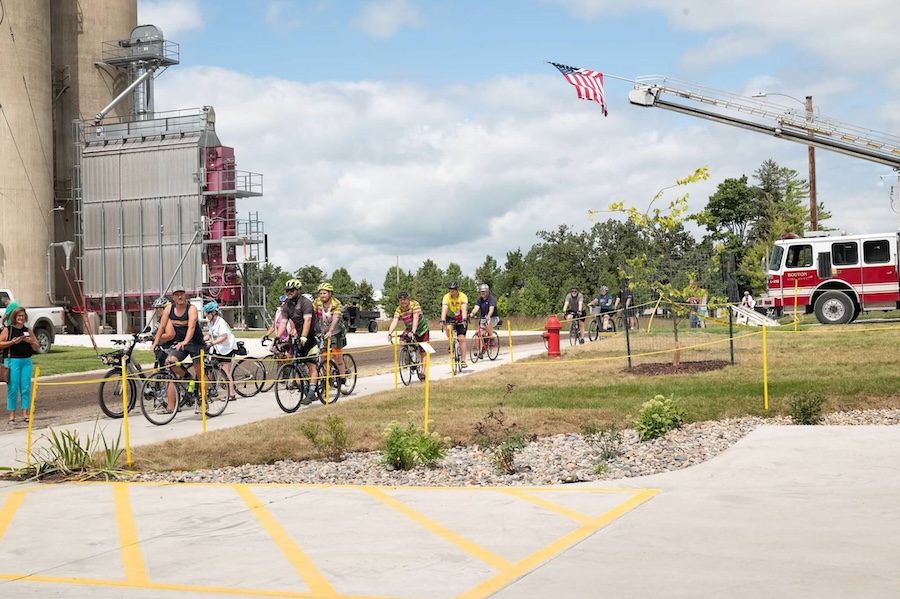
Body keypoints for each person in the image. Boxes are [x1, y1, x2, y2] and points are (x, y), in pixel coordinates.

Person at [151, 285, 205, 413]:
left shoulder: (191, 309)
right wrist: (155, 342)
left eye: (182, 294)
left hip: (196, 343)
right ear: (173, 297)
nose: (180, 297)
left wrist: (186, 341)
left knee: (200, 372)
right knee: (169, 364)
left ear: (185, 295)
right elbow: (161, 326)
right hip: (181, 343)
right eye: (177, 294)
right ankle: (173, 404)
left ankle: (204, 401)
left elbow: (191, 327)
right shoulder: (169, 309)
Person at [275, 279, 321, 405]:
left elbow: (307, 321)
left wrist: (304, 336)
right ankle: (305, 388)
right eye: (287, 290)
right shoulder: (287, 305)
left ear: (298, 290)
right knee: (296, 364)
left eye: (292, 290)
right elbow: (283, 323)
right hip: (299, 336)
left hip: (311, 335)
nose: (289, 292)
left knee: (311, 364)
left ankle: (311, 393)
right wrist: (277, 337)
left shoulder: (305, 303)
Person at [0, 307, 40, 424]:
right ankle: (11, 415)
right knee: (13, 389)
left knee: (26, 388)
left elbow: (36, 346)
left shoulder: (28, 330)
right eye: (19, 316)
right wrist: (13, 342)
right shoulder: (8, 330)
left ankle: (25, 414)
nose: (21, 318)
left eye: (22, 316)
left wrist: (30, 341)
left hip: (26, 361)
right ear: (14, 317)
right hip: (12, 361)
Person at [386, 290, 430, 381]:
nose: (403, 301)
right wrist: (390, 333)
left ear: (408, 299)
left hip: (422, 329)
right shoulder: (399, 309)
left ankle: (423, 372)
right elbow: (395, 321)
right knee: (402, 341)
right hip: (410, 328)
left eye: (405, 299)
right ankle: (410, 356)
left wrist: (413, 332)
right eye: (401, 300)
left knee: (423, 351)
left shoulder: (415, 304)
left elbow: (416, 318)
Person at [313, 282, 347, 388]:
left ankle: (343, 380)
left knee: (337, 357)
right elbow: (312, 316)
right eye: (321, 293)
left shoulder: (336, 303)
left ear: (330, 293)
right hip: (322, 331)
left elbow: (336, 318)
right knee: (323, 357)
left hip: (336, 331)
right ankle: (326, 379)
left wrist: (331, 331)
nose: (322, 295)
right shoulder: (317, 302)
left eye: (324, 293)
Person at [202, 301, 237, 403]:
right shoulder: (210, 323)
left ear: (213, 313)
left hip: (227, 348)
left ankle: (232, 394)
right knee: (212, 366)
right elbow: (210, 335)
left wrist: (212, 343)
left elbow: (224, 336)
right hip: (219, 348)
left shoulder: (220, 322)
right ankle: (214, 389)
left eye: (208, 313)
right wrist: (203, 340)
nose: (206, 316)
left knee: (225, 371)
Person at [440, 281, 469, 368]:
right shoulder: (446, 297)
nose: (451, 291)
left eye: (453, 290)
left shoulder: (463, 296)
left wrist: (464, 319)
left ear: (457, 290)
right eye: (450, 290)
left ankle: (463, 360)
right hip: (451, 317)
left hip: (461, 317)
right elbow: (444, 309)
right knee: (448, 328)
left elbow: (464, 309)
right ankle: (451, 342)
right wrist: (442, 320)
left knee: (461, 338)